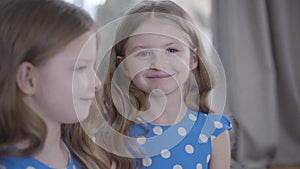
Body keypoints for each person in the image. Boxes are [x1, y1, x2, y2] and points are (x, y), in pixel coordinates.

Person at [0, 0, 134, 168]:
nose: (97, 83)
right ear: (29, 79)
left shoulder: (88, 155)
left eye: (92, 67)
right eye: (81, 68)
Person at [100, 0, 232, 169]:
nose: (158, 64)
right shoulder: (110, 134)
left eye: (171, 50)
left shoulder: (214, 131)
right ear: (123, 65)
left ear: (193, 60)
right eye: (143, 53)